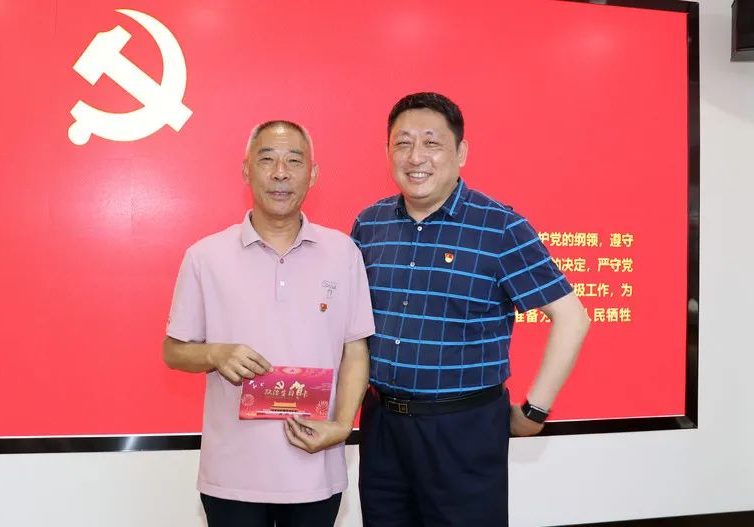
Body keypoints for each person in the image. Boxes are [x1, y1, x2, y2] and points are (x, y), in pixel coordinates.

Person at [351, 92, 590, 526]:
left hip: (464, 430)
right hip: (382, 426)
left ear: (460, 153)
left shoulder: (500, 226)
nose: (416, 156)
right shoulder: (369, 225)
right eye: (403, 143)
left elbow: (572, 317)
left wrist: (535, 411)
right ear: (387, 152)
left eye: (432, 142)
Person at [163, 120, 374, 527]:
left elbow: (355, 350)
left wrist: (341, 425)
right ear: (247, 171)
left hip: (314, 470)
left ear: (312, 174)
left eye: (294, 161)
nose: (280, 173)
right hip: (232, 476)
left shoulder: (343, 253)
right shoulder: (205, 256)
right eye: (267, 160)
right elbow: (173, 351)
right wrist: (214, 353)